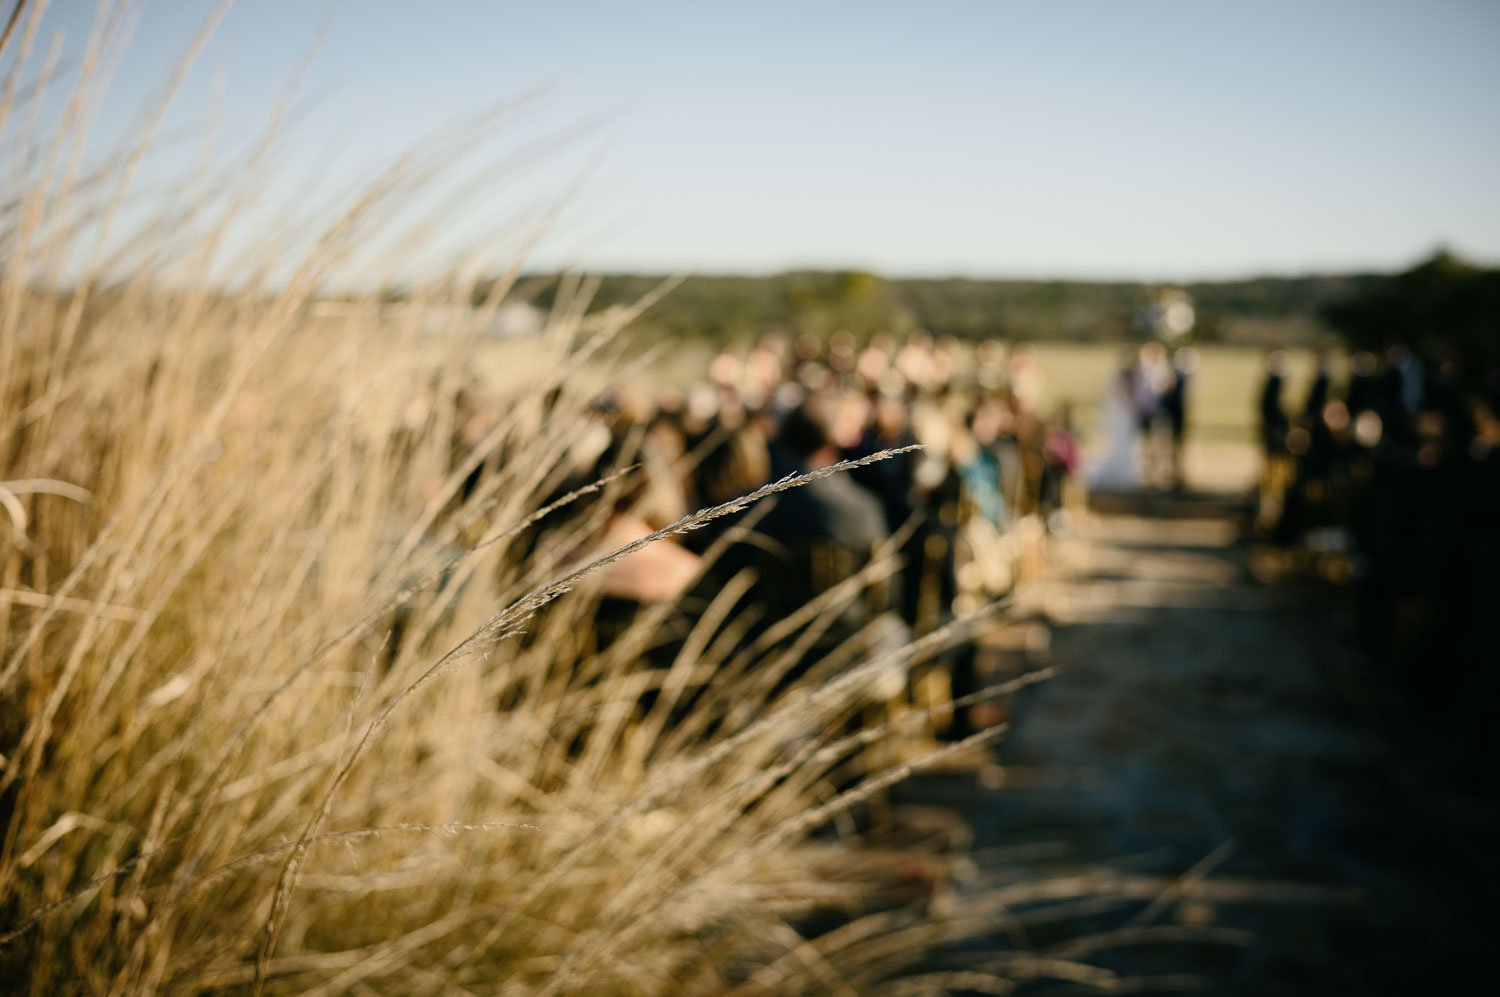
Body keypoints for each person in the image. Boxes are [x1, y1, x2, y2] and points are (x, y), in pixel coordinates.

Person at [1088, 363, 1142, 492]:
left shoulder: (1125, 394)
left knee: (1124, 448)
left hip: (1125, 424)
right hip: (1121, 425)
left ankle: (1123, 471)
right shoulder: (1119, 395)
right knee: (1119, 447)